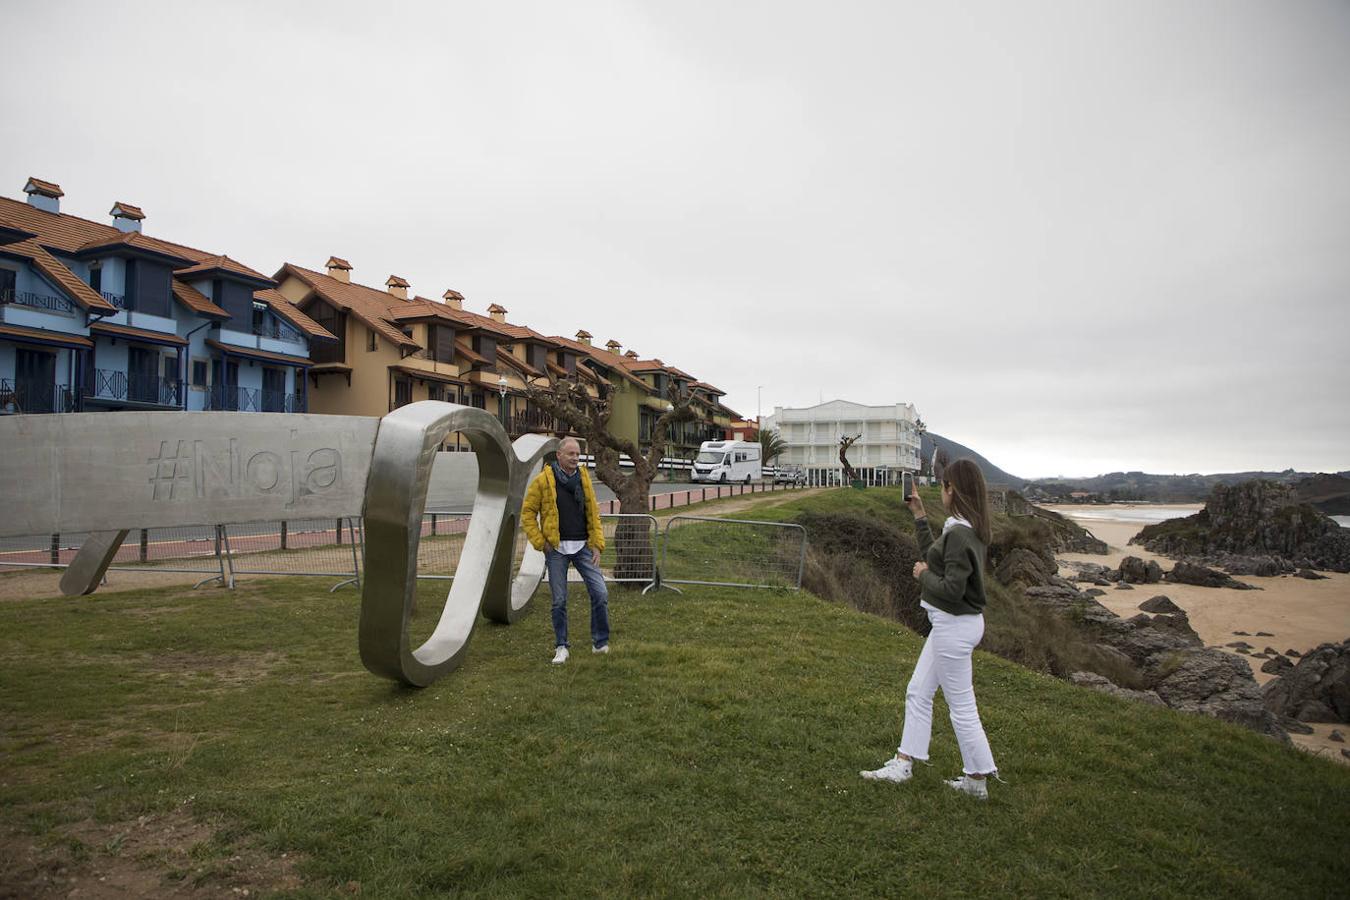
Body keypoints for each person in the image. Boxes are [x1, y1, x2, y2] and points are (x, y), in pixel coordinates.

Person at [860, 458, 999, 799]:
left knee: (961, 705)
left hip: (953, 626)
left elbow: (950, 587)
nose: (941, 490)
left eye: (945, 485)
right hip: (953, 625)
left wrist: (922, 576)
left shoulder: (961, 534)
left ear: (956, 490)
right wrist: (919, 515)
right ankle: (904, 763)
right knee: (918, 691)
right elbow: (935, 556)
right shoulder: (965, 528)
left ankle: (977, 779)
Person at [521, 437, 610, 664]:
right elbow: (528, 513)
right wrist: (541, 542)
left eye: (577, 454)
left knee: (600, 593)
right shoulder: (543, 481)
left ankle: (600, 643)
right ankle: (561, 646)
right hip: (557, 550)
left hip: (583, 548)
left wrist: (597, 544)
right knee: (559, 600)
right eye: (570, 454)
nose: (575, 458)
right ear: (559, 455)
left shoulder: (584, 479)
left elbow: (593, 513)